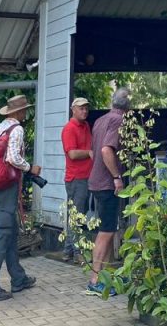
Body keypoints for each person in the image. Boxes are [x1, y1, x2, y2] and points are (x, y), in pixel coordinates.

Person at [0, 94, 40, 304]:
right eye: (24, 109)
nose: (26, 112)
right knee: (2, 234)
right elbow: (13, 158)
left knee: (11, 230)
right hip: (7, 187)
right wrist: (29, 167)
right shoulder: (16, 129)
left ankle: (18, 278)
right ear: (18, 112)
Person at [86, 87, 131, 294]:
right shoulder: (118, 121)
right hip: (107, 183)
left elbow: (94, 151)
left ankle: (104, 276)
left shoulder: (99, 120)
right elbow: (105, 150)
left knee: (108, 229)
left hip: (95, 181)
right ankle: (95, 280)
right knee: (106, 232)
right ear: (128, 106)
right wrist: (116, 177)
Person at [61, 96, 93, 263]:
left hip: (85, 176)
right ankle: (78, 252)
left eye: (86, 108)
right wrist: (89, 152)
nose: (84, 111)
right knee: (77, 215)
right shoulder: (69, 128)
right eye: (81, 108)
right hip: (75, 178)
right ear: (73, 109)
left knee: (78, 213)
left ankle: (67, 251)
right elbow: (72, 154)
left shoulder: (86, 125)